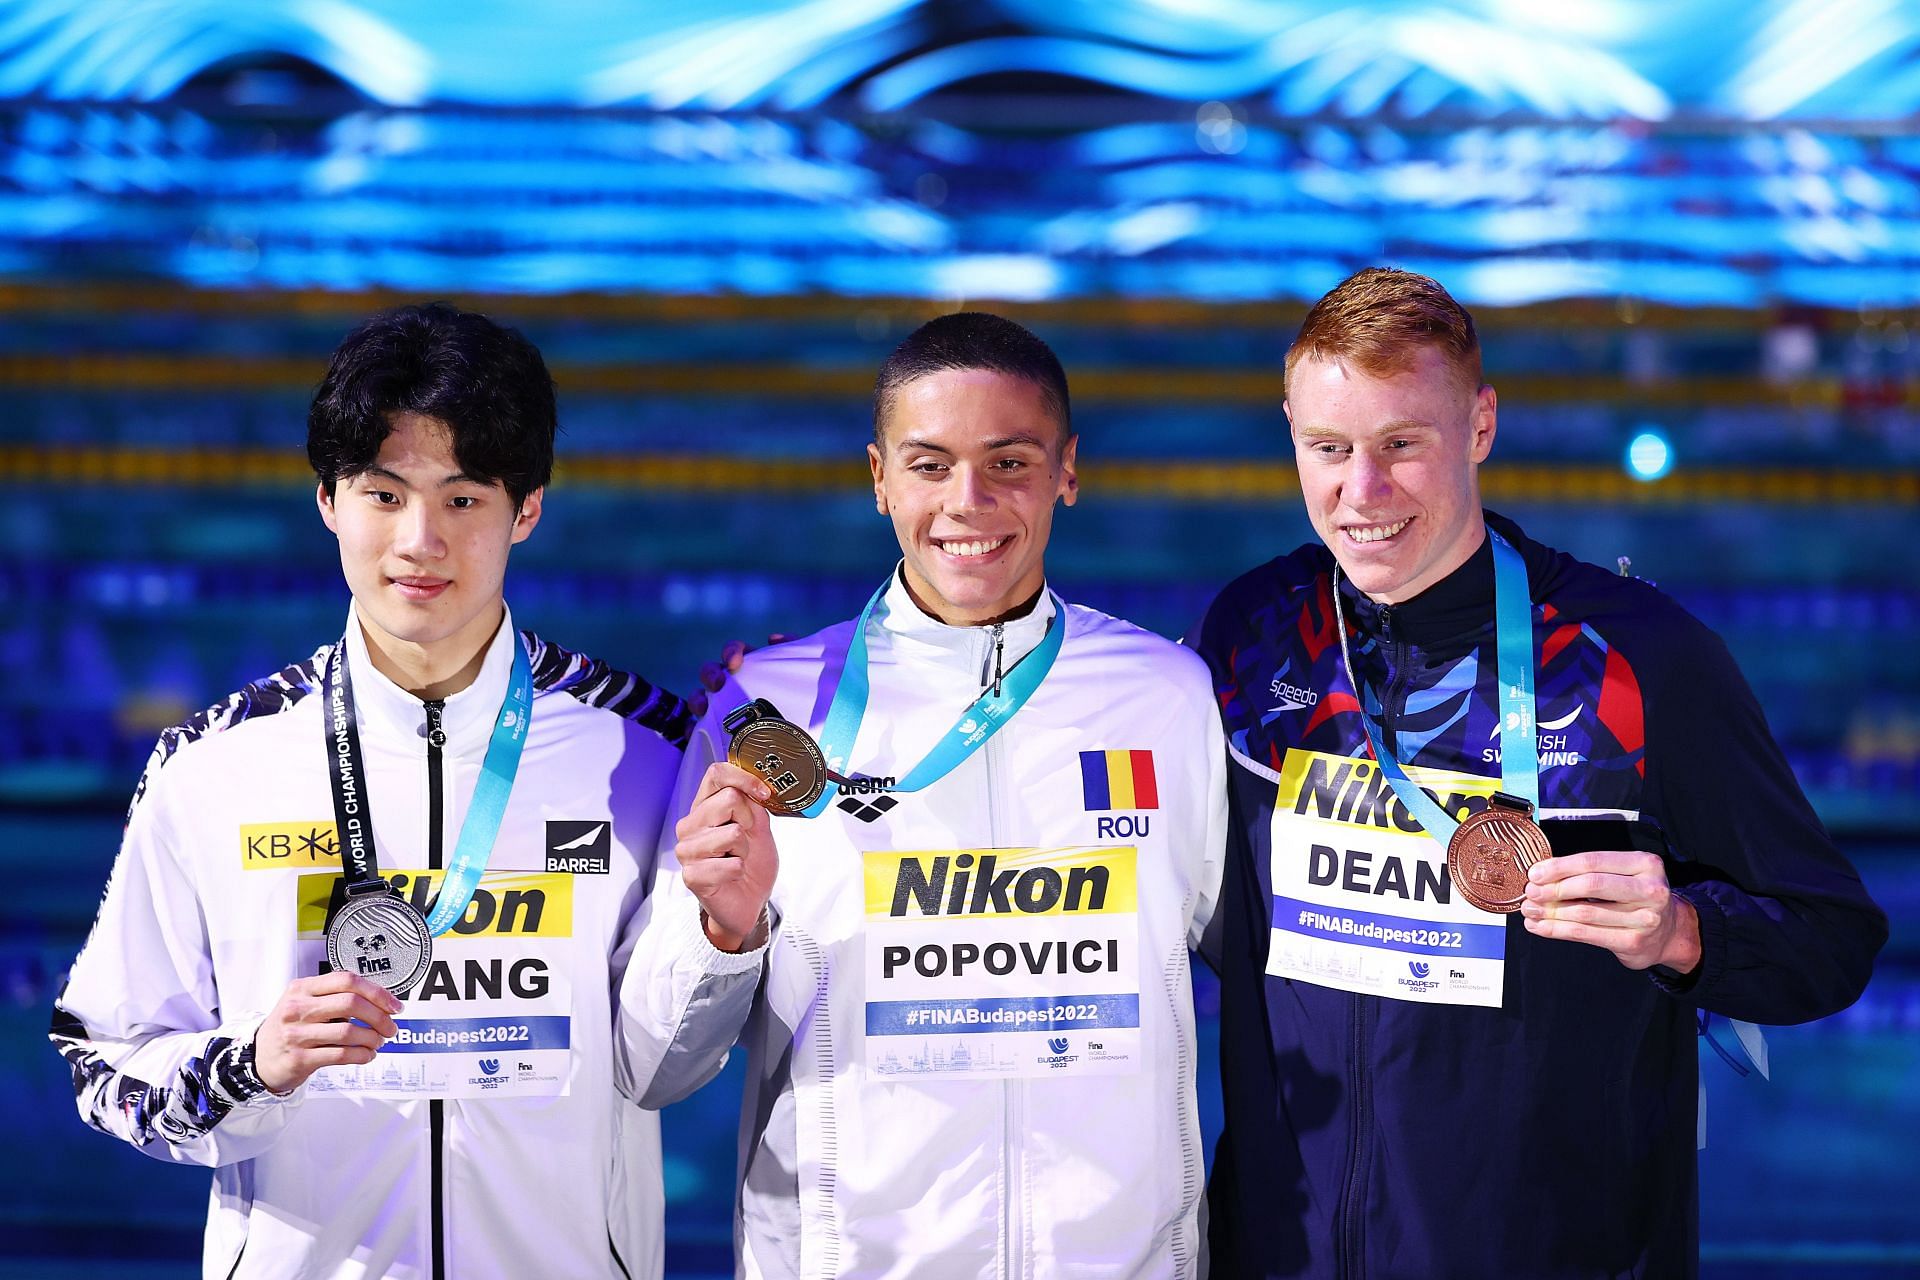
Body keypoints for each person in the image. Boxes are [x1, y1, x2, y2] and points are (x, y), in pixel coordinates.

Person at [49, 302, 773, 1280]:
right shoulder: (214, 764)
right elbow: (103, 1059)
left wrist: (725, 938)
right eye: (384, 495)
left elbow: (658, 1069)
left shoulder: (645, 749)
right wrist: (249, 1063)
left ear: (527, 508)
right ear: (328, 501)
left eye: (464, 499)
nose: (419, 539)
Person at [1192, 267, 1887, 1279]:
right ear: (1291, 431)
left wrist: (1684, 931)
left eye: (1402, 444)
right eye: (1329, 448)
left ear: (1480, 426)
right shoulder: (1254, 635)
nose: (1362, 491)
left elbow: (1833, 935)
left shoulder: (1637, 656)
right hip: (1283, 1249)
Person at [658, 312, 1227, 1276]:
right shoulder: (766, 711)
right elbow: (659, 1066)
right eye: (930, 466)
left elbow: (1253, 977)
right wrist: (720, 933)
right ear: (879, 478)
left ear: (1067, 472)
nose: (969, 502)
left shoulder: (1167, 698)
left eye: (1009, 462)